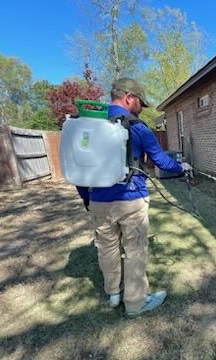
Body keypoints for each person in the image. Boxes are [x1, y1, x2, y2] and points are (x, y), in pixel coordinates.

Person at [76, 78, 192, 318]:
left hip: (98, 200)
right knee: (135, 250)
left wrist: (87, 198)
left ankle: (114, 294)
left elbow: (78, 168)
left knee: (106, 248)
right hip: (130, 200)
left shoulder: (86, 126)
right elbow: (161, 161)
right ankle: (135, 302)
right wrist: (182, 168)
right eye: (140, 102)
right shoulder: (138, 128)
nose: (141, 108)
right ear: (129, 97)